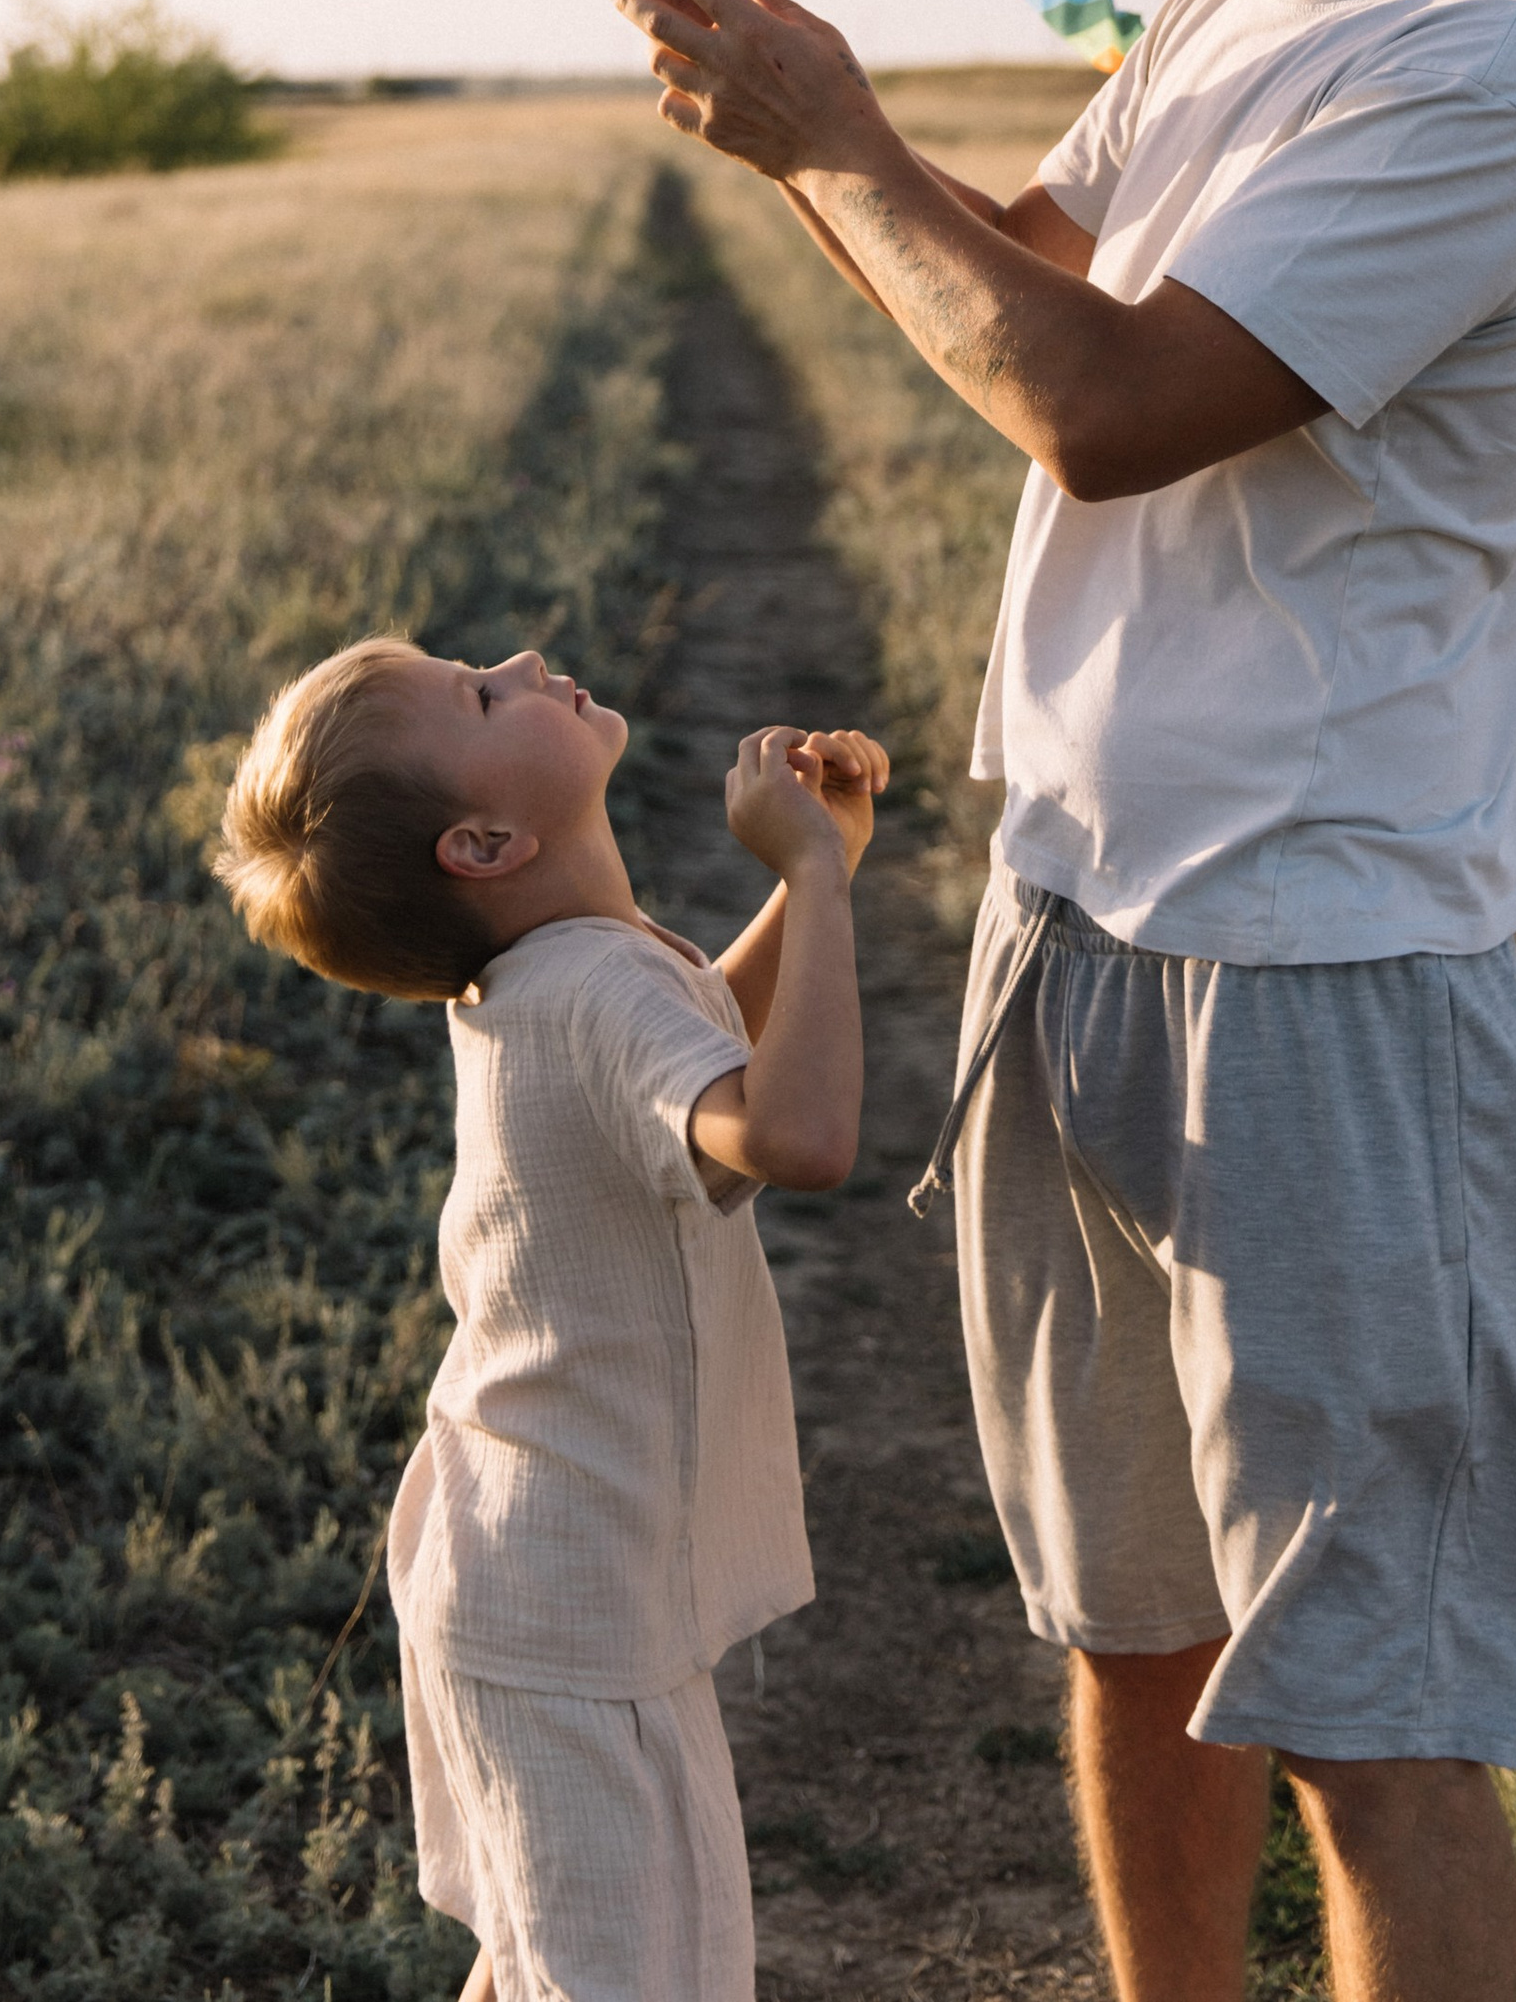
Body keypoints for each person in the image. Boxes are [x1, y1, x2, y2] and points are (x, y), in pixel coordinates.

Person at [595, 0, 1516, 2002]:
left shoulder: (1494, 79)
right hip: (1072, 921)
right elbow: (1017, 276)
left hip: (1318, 973)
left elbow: (1100, 406)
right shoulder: (1224, 2)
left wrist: (832, 133)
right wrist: (779, 86)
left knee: (1373, 1711)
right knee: (1131, 1630)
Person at [213, 629, 887, 2002]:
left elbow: (704, 1039)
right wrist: (815, 880)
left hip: (530, 1578)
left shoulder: (557, 975)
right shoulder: (589, 987)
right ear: (484, 844)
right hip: (573, 1618)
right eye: (480, 695)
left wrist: (826, 866)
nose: (522, 659)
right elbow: (798, 1133)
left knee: (557, 1960)